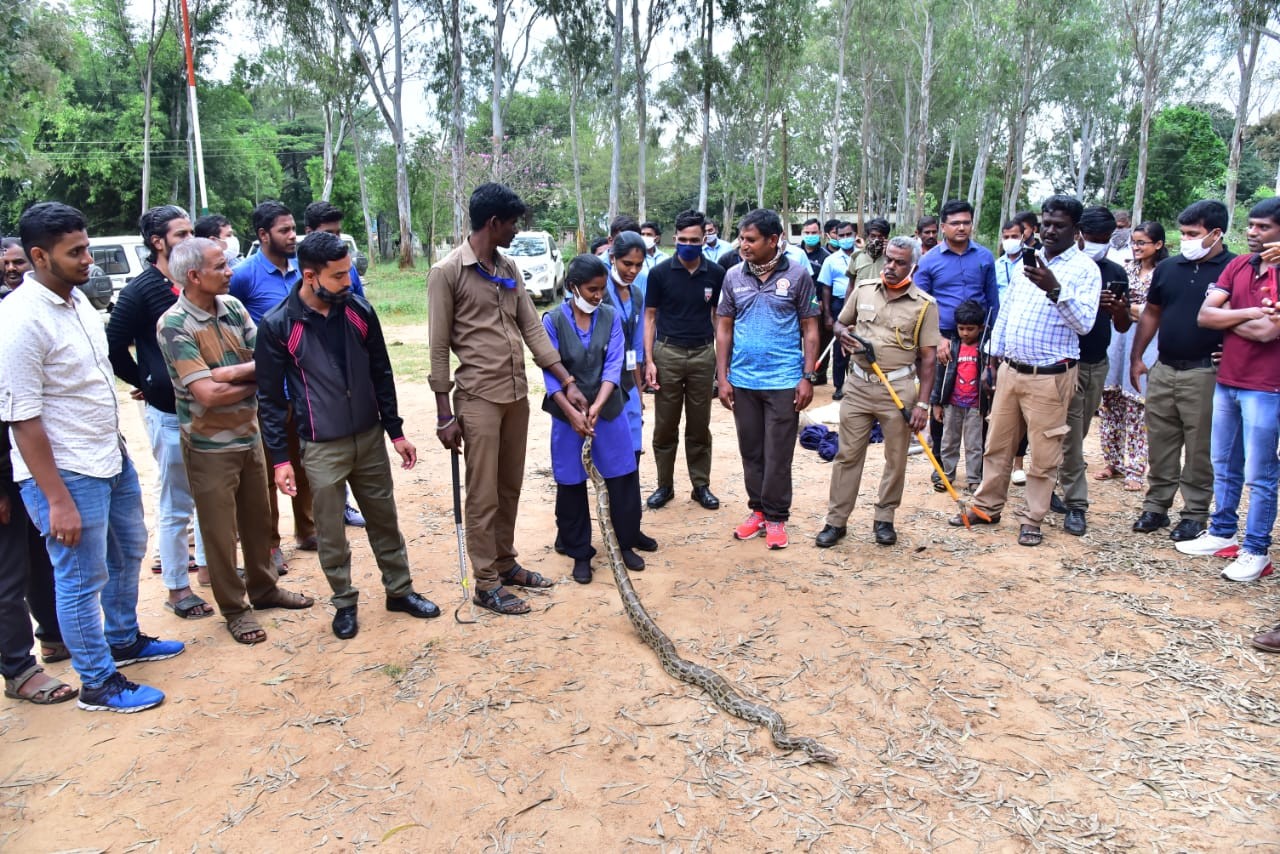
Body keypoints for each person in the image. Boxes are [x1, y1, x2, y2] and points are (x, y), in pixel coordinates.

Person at [0, 202, 184, 713]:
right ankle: (99, 683)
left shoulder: (76, 300)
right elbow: (23, 418)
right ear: (39, 255)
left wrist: (118, 448)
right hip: (65, 473)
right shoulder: (17, 320)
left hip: (107, 454)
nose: (87, 259)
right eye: (74, 251)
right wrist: (56, 500)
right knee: (81, 577)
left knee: (127, 549)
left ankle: (124, 639)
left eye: (86, 247)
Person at [258, 231, 437, 638]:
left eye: (348, 274)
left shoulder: (358, 310)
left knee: (384, 519)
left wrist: (396, 431)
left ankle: (400, 590)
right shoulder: (278, 325)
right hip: (321, 446)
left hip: (370, 437)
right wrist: (280, 459)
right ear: (309, 275)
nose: (347, 283)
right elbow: (269, 399)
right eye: (338, 276)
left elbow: (382, 373)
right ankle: (344, 603)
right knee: (330, 532)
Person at [429, 183, 588, 616]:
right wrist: (445, 415)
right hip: (478, 399)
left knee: (509, 487)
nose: (517, 230)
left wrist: (565, 379)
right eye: (513, 222)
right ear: (493, 223)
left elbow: (532, 328)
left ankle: (504, 562)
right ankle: (485, 583)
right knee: (481, 495)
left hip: (516, 395)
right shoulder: (447, 273)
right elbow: (438, 346)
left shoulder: (509, 268)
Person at [158, 238, 314, 644]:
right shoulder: (175, 324)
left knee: (259, 520)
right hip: (209, 446)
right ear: (194, 276)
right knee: (220, 532)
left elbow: (270, 359)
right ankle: (235, 609)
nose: (230, 270)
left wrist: (225, 375)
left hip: (249, 434)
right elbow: (207, 397)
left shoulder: (233, 308)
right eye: (220, 265)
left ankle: (264, 590)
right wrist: (252, 379)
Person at [953, 195, 1100, 547]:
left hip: (1050, 376)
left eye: (1059, 225)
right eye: (1046, 223)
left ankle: (1033, 518)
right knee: (996, 445)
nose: (1050, 231)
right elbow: (1005, 314)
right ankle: (987, 506)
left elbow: (1085, 325)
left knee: (1044, 453)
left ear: (1075, 229)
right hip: (1010, 371)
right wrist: (992, 362)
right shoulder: (1024, 264)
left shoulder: (1084, 269)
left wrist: (1055, 289)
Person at [105, 205, 213, 617]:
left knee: (211, 496)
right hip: (168, 414)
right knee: (175, 504)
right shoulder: (140, 290)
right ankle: (176, 589)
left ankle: (210, 570)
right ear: (158, 242)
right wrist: (145, 381)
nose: (191, 238)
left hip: (208, 412)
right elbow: (113, 346)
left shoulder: (197, 281)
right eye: (182, 233)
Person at [1174, 198, 1280, 582]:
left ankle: (1256, 550)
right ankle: (1222, 533)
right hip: (1229, 381)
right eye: (1251, 226)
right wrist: (1250, 313)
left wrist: (1228, 318)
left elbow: (1271, 332)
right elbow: (1205, 316)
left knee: (1261, 471)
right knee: (1225, 464)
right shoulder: (1239, 265)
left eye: (1263, 227)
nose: (1253, 233)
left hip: (1266, 386)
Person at [819, 236, 938, 548]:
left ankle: (884, 519)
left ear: (913, 266)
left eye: (900, 262)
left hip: (897, 388)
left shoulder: (925, 305)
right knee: (847, 455)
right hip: (858, 385)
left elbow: (928, 360)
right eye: (889, 259)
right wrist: (844, 334)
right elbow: (840, 324)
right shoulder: (864, 290)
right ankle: (836, 521)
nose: (892, 267)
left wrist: (923, 404)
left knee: (896, 458)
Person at [716, 208, 820, 550]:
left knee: (778, 453)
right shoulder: (732, 276)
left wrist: (807, 376)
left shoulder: (799, 275)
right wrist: (723, 376)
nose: (743, 245)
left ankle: (776, 518)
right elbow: (725, 328)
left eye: (751, 239)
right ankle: (757, 512)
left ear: (773, 240)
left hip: (784, 381)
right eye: (742, 239)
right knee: (752, 451)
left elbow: (810, 327)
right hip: (743, 380)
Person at [1130, 200, 1233, 541]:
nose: (1186, 239)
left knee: (1200, 447)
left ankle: (1194, 513)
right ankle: (1156, 507)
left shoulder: (1234, 269)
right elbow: (1152, 313)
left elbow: (1247, 317)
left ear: (1216, 234)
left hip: (1205, 373)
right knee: (1160, 442)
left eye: (1194, 234)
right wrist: (1137, 356)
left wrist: (1230, 353)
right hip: (1164, 368)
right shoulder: (1169, 267)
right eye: (1184, 232)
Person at [0, 255, 74, 705]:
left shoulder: (14, 314)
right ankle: (17, 667)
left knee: (42, 558)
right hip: (5, 476)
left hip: (25, 467)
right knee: (8, 576)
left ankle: (53, 635)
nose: (12, 268)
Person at [544, 255, 645, 583]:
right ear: (573, 287)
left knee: (621, 478)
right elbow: (549, 370)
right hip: (566, 415)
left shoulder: (610, 317)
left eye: (602, 289)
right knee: (571, 483)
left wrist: (598, 406)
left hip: (608, 410)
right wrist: (572, 412)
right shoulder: (553, 320)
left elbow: (614, 364)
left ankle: (624, 544)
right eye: (591, 289)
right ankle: (579, 553)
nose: (598, 295)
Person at [229, 200, 317, 562]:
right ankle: (271, 544)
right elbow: (227, 321)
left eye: (293, 228)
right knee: (268, 471)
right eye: (284, 230)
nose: (292, 235)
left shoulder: (304, 271)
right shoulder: (244, 275)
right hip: (267, 393)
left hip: (305, 389)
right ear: (263, 235)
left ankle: (308, 529)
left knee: (306, 462)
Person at [1052, 206, 1132, 536]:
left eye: (1105, 240)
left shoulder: (1116, 272)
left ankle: (1053, 484)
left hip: (1098, 362)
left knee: (1078, 432)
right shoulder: (1065, 269)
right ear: (1078, 234)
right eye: (1093, 238)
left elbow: (1124, 325)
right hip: (1067, 362)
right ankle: (1076, 504)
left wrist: (1118, 310)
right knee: (1070, 438)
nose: (1099, 244)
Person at [643, 208, 725, 512]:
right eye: (682, 239)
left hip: (703, 353)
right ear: (674, 238)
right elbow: (649, 317)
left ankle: (700, 485)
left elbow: (719, 317)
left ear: (704, 238)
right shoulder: (659, 273)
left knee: (699, 424)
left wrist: (720, 360)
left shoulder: (716, 274)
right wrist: (649, 360)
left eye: (694, 239)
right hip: (668, 354)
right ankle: (664, 485)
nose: (688, 244)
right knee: (665, 425)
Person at [915, 200, 999, 489]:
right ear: (943, 227)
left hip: (981, 340)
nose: (961, 227)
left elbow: (993, 302)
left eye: (966, 222)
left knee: (980, 401)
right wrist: (937, 338)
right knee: (942, 402)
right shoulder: (929, 262)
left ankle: (978, 472)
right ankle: (942, 467)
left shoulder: (985, 258)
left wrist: (991, 344)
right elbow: (920, 306)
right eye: (955, 223)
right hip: (944, 339)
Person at [303, 201, 369, 528]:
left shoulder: (348, 272)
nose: (336, 239)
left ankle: (342, 508)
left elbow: (360, 311)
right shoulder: (305, 277)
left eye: (338, 233)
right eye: (329, 233)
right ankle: (313, 523)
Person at [1098, 221, 1167, 490]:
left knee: (1138, 404)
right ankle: (1111, 461)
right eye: (1134, 242)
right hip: (1118, 337)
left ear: (1158, 244)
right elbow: (1118, 306)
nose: (1136, 247)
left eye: (1142, 243)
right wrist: (1133, 310)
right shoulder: (1125, 269)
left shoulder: (1164, 273)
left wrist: (1134, 310)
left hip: (1148, 340)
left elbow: (1157, 311)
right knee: (1110, 399)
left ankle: (1135, 469)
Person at [604, 233, 660, 553]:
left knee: (634, 459)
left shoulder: (637, 294)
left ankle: (632, 529)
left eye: (639, 265)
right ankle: (619, 540)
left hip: (629, 384)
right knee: (615, 464)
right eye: (627, 263)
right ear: (613, 257)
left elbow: (637, 348)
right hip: (606, 387)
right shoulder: (600, 291)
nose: (633, 270)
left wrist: (639, 389)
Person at [930, 299, 987, 494]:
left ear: (980, 328)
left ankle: (974, 478)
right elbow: (939, 377)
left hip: (975, 405)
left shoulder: (985, 350)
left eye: (970, 329)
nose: (965, 333)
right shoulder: (950, 347)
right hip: (952, 403)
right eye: (961, 328)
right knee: (949, 441)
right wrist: (936, 403)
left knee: (974, 444)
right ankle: (947, 474)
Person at [817, 221, 859, 399]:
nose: (844, 238)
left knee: (860, 344)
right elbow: (825, 288)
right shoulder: (830, 260)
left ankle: (857, 385)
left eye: (848, 235)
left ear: (856, 234)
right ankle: (839, 386)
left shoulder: (864, 256)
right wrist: (827, 315)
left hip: (862, 304)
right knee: (839, 345)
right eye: (841, 235)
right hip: (839, 304)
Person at [995, 220, 1024, 302]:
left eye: (1014, 236)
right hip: (1002, 311)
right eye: (1006, 237)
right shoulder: (997, 264)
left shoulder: (1033, 260)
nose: (1010, 240)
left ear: (1022, 237)